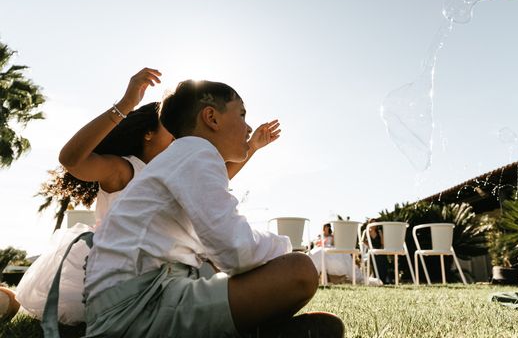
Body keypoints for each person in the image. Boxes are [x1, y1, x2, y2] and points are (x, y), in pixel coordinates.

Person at [15, 68, 281, 326]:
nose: (181, 135)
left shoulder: (178, 167)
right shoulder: (126, 169)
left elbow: (215, 181)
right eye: (171, 129)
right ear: (148, 133)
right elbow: (72, 159)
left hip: (161, 267)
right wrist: (125, 104)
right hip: (115, 273)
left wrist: (251, 148)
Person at [83, 79, 344, 337]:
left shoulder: (183, 156)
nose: (248, 126)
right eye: (241, 114)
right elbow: (237, 251)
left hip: (126, 303)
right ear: (211, 117)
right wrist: (285, 248)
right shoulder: (198, 152)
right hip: (135, 309)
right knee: (300, 271)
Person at [362, 219, 390, 285]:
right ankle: (377, 278)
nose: (374, 225)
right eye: (372, 223)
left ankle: (383, 279)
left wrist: (381, 235)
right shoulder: (366, 231)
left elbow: (382, 243)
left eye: (375, 223)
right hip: (371, 251)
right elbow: (362, 240)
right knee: (375, 258)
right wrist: (370, 246)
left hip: (379, 249)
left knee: (383, 259)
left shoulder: (379, 231)